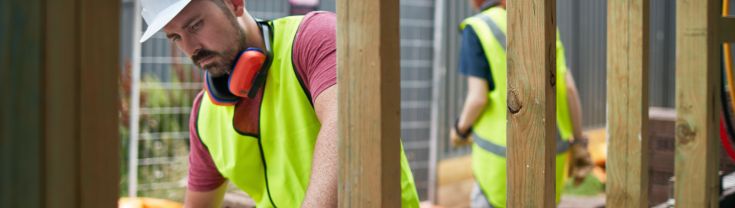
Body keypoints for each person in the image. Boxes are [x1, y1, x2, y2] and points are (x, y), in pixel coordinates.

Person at [138, 0, 420, 207]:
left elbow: (346, 125)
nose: (190, 48)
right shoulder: (204, 116)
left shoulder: (313, 38)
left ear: (234, 3)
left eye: (195, 25)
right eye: (175, 37)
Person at [449, 0, 589, 207]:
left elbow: (477, 98)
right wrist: (579, 143)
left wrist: (459, 130)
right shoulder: (545, 25)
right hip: (550, 162)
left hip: (498, 170)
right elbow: (568, 89)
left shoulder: (477, 28)